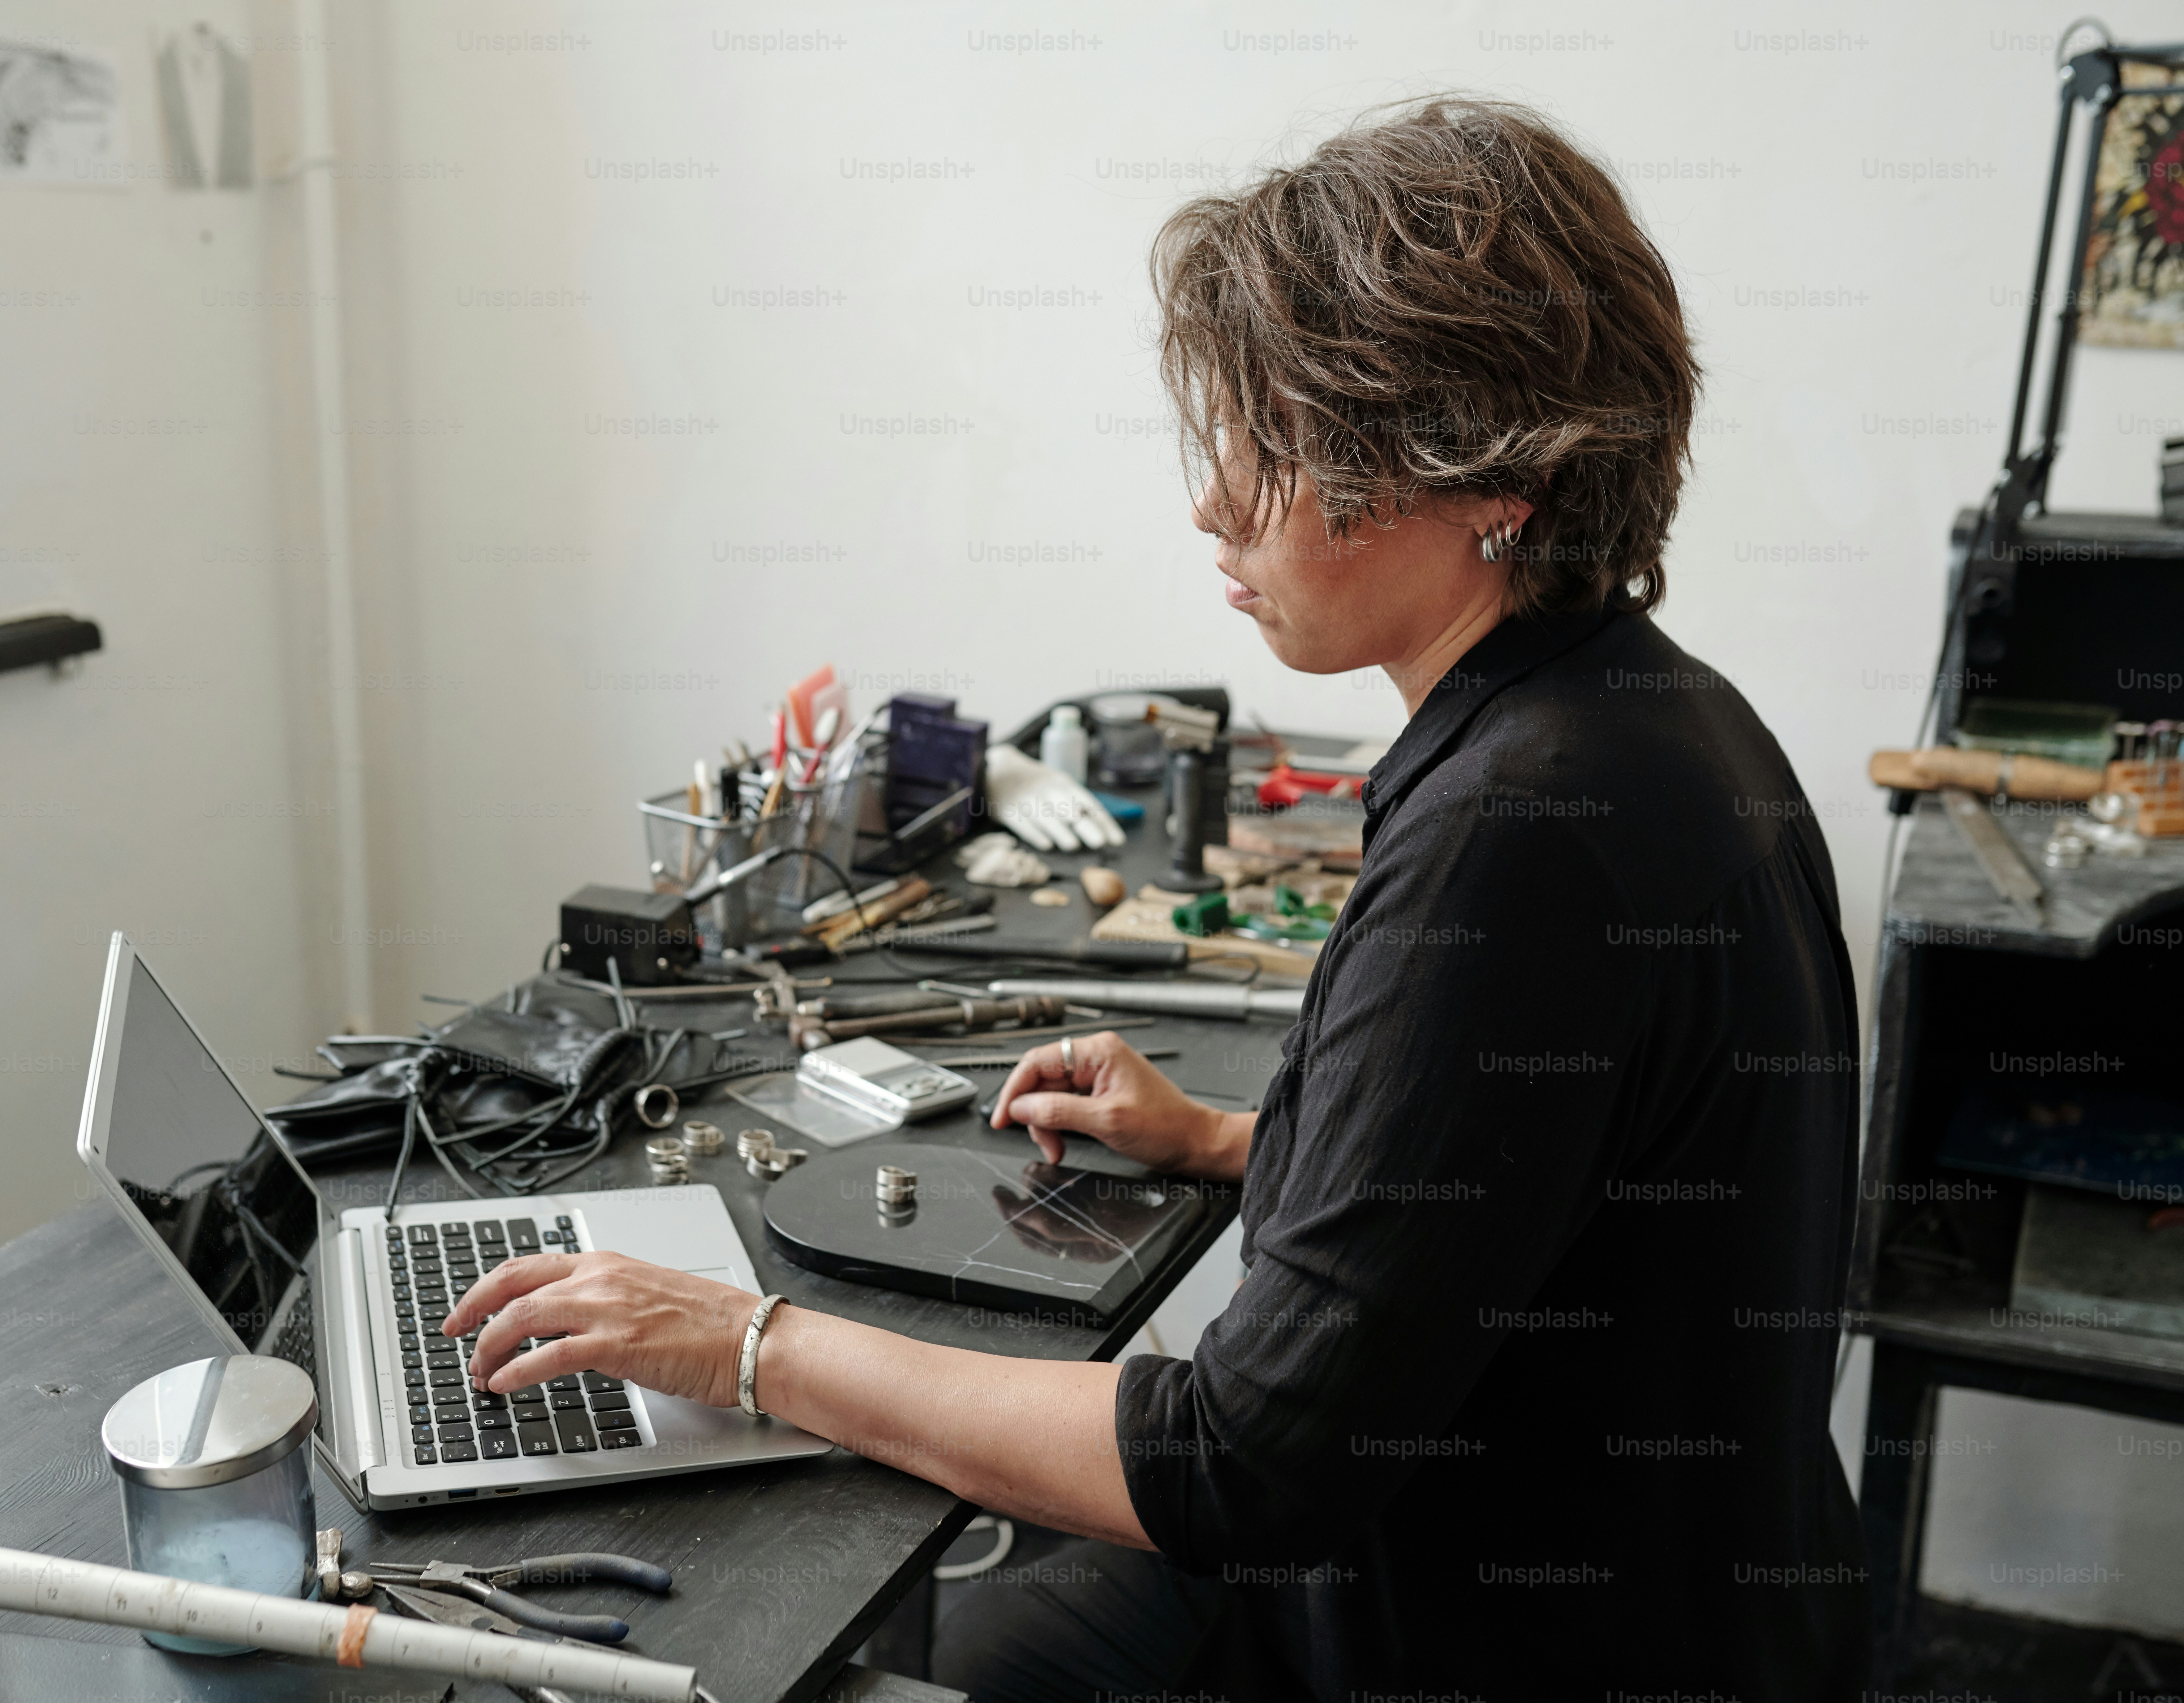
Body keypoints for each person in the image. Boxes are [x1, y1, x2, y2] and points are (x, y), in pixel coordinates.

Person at [444, 96, 1868, 1701]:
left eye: (1279, 446)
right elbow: (1538, 1190)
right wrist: (1226, 1143)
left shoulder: (1523, 830)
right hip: (1618, 1583)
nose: (1216, 505)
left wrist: (751, 1349)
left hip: (1484, 1633)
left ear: (1491, 481)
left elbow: (1241, 1466)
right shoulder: (1658, 716)